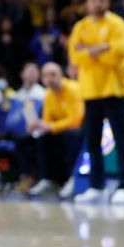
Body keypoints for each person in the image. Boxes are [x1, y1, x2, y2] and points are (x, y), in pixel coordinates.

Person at [68, 0, 124, 204]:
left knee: (121, 139)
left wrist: (89, 51)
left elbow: (119, 53)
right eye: (93, 0)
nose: (97, 3)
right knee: (93, 141)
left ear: (108, 2)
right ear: (87, 3)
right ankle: (97, 186)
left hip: (114, 89)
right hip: (91, 91)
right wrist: (101, 49)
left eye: (102, 0)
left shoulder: (117, 24)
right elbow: (75, 56)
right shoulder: (81, 26)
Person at [27, 62, 84, 197]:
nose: (50, 78)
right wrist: (39, 125)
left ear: (61, 75)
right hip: (61, 131)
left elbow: (77, 120)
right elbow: (48, 120)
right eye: (46, 75)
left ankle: (73, 179)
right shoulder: (48, 94)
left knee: (72, 136)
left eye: (53, 74)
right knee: (41, 137)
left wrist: (52, 126)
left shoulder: (74, 89)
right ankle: (47, 179)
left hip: (78, 130)